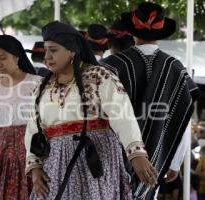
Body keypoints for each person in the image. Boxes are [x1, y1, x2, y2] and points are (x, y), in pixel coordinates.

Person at [25, 21, 157, 200]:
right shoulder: (41, 87)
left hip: (95, 160)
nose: (47, 56)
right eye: (46, 50)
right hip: (55, 166)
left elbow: (122, 115)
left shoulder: (99, 76)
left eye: (53, 50)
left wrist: (136, 153)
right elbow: (33, 128)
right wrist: (35, 167)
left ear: (72, 50)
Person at [100, 2, 200, 199]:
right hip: (157, 156)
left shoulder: (110, 65)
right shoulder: (176, 69)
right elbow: (183, 116)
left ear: (132, 32)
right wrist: (174, 160)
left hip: (111, 159)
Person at [0, 34, 41, 200]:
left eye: (2, 58)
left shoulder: (37, 83)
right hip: (3, 157)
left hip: (33, 151)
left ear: (16, 57)